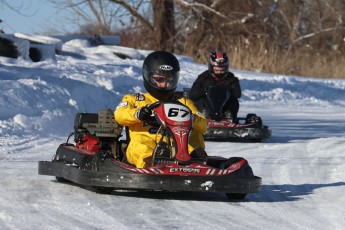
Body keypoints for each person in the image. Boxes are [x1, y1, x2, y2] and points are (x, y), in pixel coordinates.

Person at [114, 51, 207, 168]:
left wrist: (190, 118)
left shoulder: (183, 102)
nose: (164, 85)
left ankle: (195, 162)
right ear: (148, 76)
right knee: (141, 144)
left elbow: (204, 126)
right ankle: (151, 164)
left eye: (169, 79)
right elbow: (119, 114)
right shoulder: (135, 99)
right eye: (159, 79)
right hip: (144, 145)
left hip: (176, 147)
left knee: (195, 136)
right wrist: (138, 114)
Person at [189, 51, 241, 121]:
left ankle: (228, 117)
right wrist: (205, 89)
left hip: (224, 108)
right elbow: (192, 95)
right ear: (211, 68)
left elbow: (237, 94)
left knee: (234, 101)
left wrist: (227, 89)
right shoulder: (204, 77)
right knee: (200, 99)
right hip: (207, 107)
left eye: (222, 70)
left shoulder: (231, 78)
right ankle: (205, 115)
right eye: (217, 70)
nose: (219, 73)